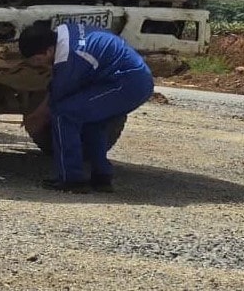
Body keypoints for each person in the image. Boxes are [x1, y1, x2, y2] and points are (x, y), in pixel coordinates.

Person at [18, 21, 154, 193]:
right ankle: (101, 177)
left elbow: (57, 100)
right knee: (92, 121)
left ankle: (71, 178)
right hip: (127, 77)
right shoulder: (64, 32)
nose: (40, 65)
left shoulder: (70, 57)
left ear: (49, 50)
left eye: (38, 60)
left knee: (64, 114)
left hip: (127, 84)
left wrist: (35, 119)